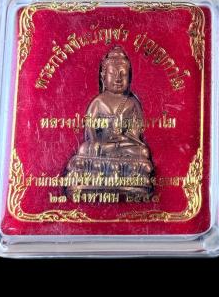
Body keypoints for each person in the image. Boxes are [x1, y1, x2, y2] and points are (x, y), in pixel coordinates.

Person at [65, 45, 154, 197]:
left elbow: (136, 130)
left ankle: (115, 174)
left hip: (123, 146)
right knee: (84, 150)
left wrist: (125, 138)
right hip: (102, 145)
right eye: (113, 74)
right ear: (104, 77)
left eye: (123, 74)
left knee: (142, 152)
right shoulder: (99, 101)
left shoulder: (131, 103)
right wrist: (95, 142)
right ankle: (110, 173)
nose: (118, 78)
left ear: (129, 78)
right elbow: (90, 126)